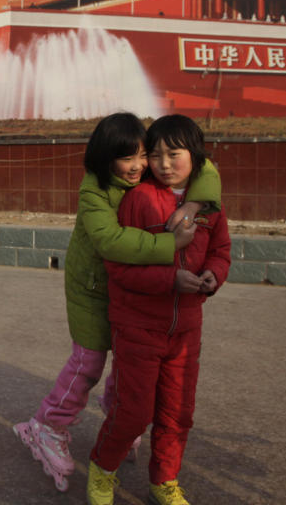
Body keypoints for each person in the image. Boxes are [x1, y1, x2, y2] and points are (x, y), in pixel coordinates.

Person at [13, 113, 221, 492]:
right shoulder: (94, 189)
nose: (140, 166)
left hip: (132, 290)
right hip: (92, 288)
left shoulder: (146, 174)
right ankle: (46, 425)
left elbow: (205, 166)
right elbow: (111, 241)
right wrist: (169, 246)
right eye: (129, 158)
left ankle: (120, 419)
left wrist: (192, 206)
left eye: (144, 156)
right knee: (90, 360)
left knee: (129, 359)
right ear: (106, 158)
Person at [87, 114, 231, 505]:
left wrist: (214, 277)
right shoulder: (139, 200)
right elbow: (119, 268)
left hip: (186, 328)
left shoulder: (209, 207)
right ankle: (102, 469)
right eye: (155, 154)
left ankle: (164, 481)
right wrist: (170, 280)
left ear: (195, 156)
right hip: (138, 326)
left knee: (177, 413)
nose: (164, 164)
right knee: (133, 412)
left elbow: (220, 251)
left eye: (174, 153)